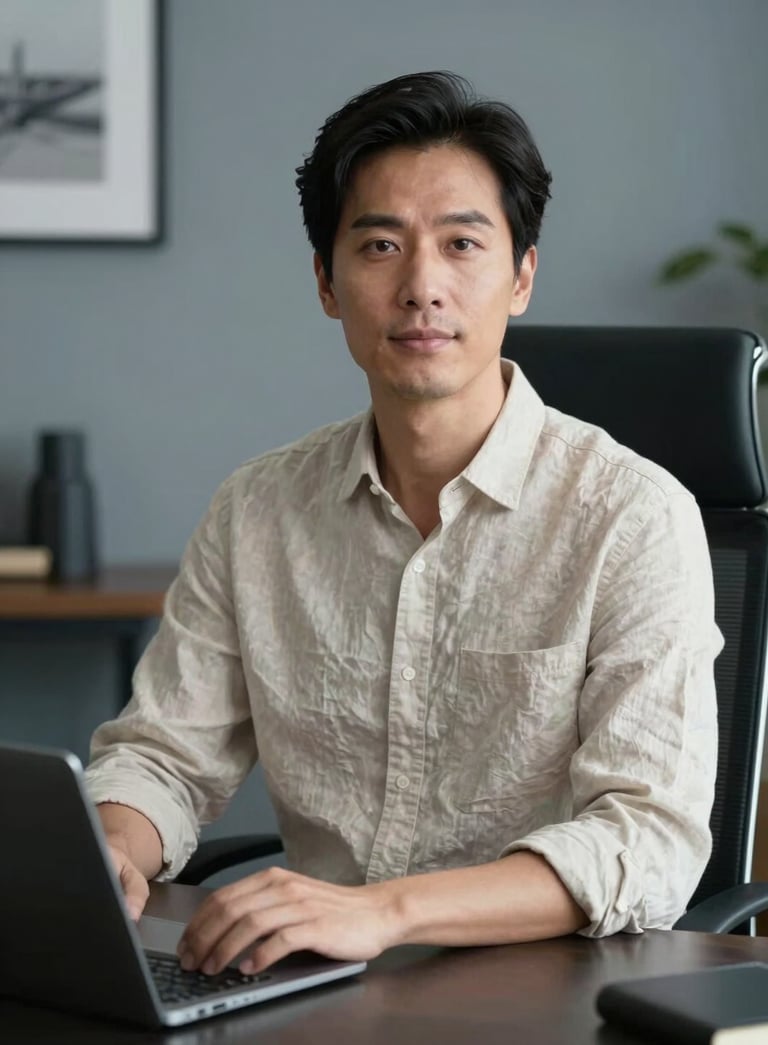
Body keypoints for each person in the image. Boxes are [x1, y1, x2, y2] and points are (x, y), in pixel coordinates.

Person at [85, 70, 721, 978]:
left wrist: (382, 911)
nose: (423, 286)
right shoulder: (257, 509)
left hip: (549, 991)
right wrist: (115, 847)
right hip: (316, 984)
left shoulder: (632, 514)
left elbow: (648, 837)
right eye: (380, 245)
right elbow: (163, 754)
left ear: (522, 277)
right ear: (327, 283)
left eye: (463, 243)